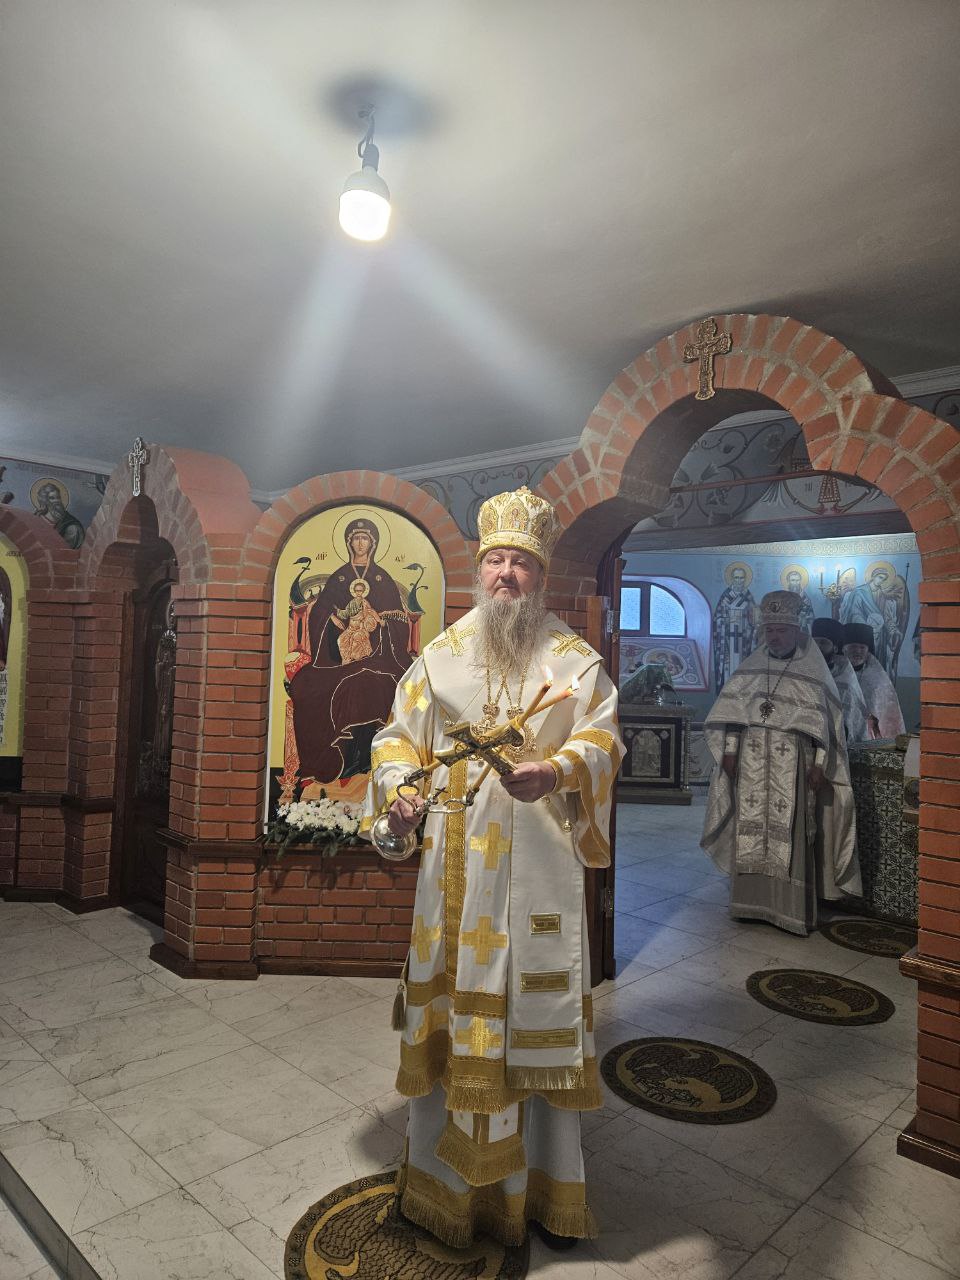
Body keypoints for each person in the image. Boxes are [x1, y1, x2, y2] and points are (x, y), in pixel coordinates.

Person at [363, 485, 623, 1251]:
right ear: (480, 570)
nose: (506, 573)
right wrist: (399, 795)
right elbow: (395, 739)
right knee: (458, 1020)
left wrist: (558, 769)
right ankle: (443, 1187)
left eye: (521, 562)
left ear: (540, 576)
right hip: (453, 867)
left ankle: (544, 1192)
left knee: (528, 1026)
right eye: (496, 560)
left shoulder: (573, 661)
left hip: (535, 863)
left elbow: (605, 738)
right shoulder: (439, 657)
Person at [701, 590, 860, 936]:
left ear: (796, 631)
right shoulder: (752, 666)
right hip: (751, 760)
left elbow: (827, 728)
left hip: (795, 765)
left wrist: (820, 764)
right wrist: (730, 751)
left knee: (791, 831)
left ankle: (790, 911)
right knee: (749, 826)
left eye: (781, 631)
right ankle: (749, 904)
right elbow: (733, 715)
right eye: (769, 630)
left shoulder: (813, 671)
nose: (774, 637)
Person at [843, 622, 906, 738]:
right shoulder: (835, 674)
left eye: (862, 647)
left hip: (868, 739)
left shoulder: (879, 679)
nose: (857, 651)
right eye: (853, 646)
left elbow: (888, 717)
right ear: (844, 649)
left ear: (868, 650)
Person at [811, 617, 868, 744]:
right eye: (815, 642)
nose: (818, 646)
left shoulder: (845, 678)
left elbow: (850, 722)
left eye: (823, 643)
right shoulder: (801, 670)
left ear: (835, 648)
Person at [712, 565, 758, 692]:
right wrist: (727, 620)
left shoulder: (748, 597)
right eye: (736, 578)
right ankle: (727, 693)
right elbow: (717, 619)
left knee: (742, 667)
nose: (739, 581)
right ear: (732, 579)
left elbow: (754, 620)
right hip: (728, 641)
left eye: (741, 578)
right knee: (728, 668)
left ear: (745, 579)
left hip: (744, 642)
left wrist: (751, 623)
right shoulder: (726, 596)